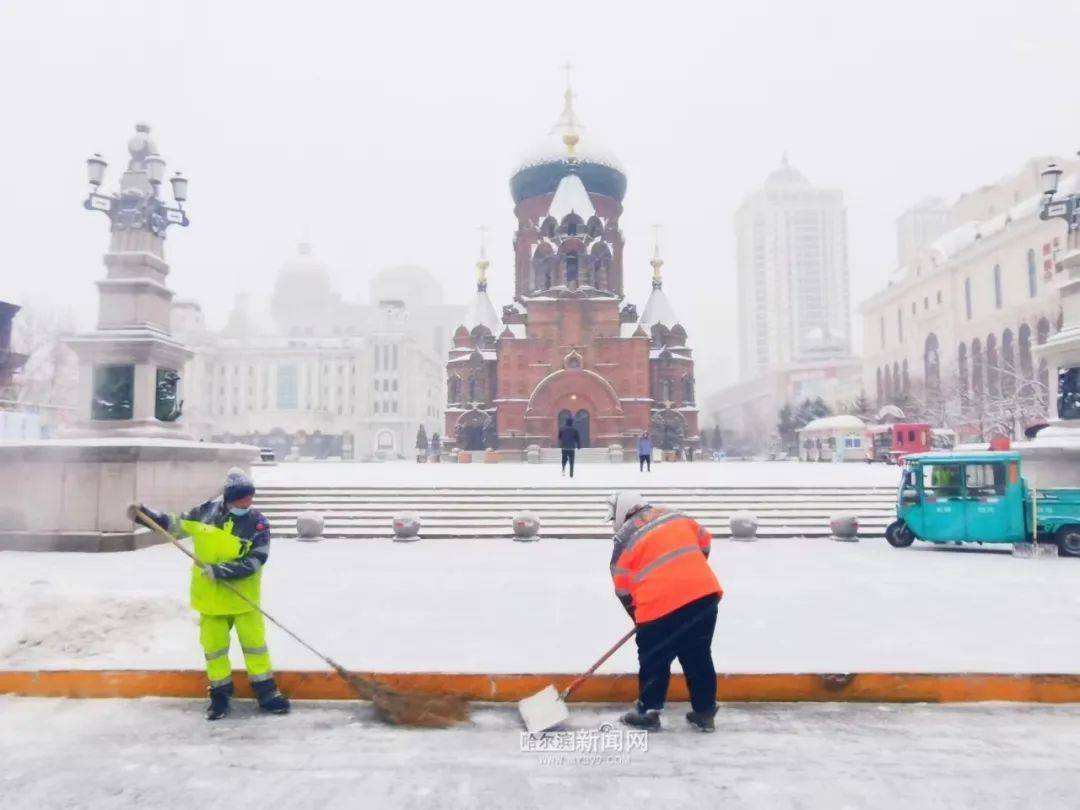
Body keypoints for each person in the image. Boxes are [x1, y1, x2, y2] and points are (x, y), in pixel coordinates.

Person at [129, 468, 290, 721]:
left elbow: (257, 560)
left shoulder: (257, 523)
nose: (246, 502)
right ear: (229, 497)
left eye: (249, 497)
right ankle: (220, 696)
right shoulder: (205, 513)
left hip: (243, 600)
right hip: (210, 600)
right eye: (241, 498)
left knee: (256, 649)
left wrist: (222, 570)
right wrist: (147, 516)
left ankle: (266, 693)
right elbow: (176, 524)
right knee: (215, 651)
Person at [606, 490, 723, 732]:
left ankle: (649, 711)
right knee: (697, 654)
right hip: (704, 596)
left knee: (653, 657)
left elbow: (623, 589)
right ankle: (705, 711)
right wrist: (689, 574)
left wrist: (639, 618)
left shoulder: (623, 539)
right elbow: (704, 541)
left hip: (659, 605)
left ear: (622, 512)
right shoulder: (674, 514)